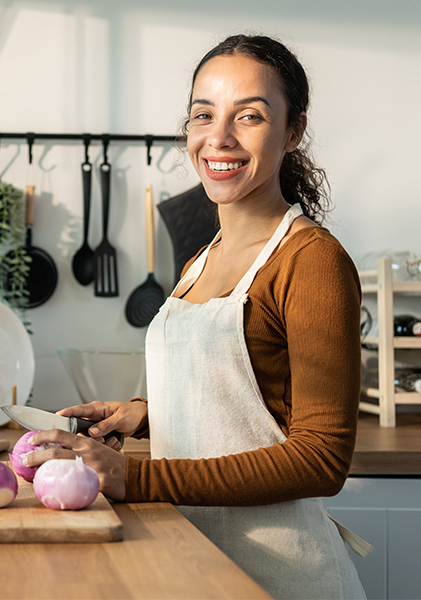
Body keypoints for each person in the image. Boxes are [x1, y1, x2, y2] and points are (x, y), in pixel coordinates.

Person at [25, 34, 369, 599]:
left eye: (250, 116)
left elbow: (321, 458)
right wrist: (148, 413)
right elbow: (243, 401)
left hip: (279, 576)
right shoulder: (200, 258)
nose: (219, 137)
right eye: (203, 114)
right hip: (191, 562)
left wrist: (136, 477)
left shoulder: (312, 262)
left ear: (293, 131)